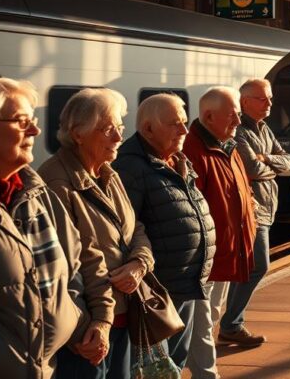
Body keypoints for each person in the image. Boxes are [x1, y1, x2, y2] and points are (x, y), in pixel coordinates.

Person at [0, 77, 113, 379]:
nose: (35, 130)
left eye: (32, 120)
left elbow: (73, 266)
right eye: (21, 122)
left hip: (46, 367)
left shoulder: (35, 192)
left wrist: (83, 324)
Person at [39, 89, 154, 379]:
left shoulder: (107, 173)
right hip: (88, 332)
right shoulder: (57, 182)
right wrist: (87, 331)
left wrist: (140, 263)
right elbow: (66, 267)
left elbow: (135, 228)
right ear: (78, 134)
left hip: (122, 315)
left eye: (120, 128)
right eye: (108, 129)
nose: (118, 137)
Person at [114, 94, 216, 375]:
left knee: (175, 363)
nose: (184, 131)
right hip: (159, 291)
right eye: (175, 124)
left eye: (184, 123)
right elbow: (127, 228)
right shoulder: (131, 167)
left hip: (186, 282)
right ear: (148, 129)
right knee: (156, 367)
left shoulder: (176, 160)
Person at [182, 87, 257, 377]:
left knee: (211, 315)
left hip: (226, 249)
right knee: (201, 323)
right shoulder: (192, 150)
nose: (238, 121)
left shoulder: (228, 145)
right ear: (209, 116)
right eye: (232, 115)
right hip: (206, 256)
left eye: (238, 113)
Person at [220, 79, 290, 346]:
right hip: (252, 209)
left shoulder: (263, 129)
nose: (270, 104)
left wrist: (267, 160)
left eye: (270, 98)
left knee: (249, 266)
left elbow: (287, 158)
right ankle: (231, 323)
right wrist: (268, 163)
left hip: (266, 206)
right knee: (259, 265)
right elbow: (251, 168)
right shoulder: (240, 131)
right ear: (245, 101)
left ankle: (231, 322)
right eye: (263, 99)